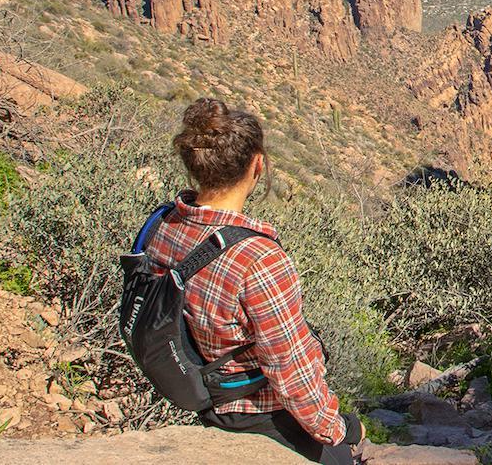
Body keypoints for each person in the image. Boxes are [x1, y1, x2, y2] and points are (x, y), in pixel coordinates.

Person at [145, 97, 362, 463]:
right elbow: (290, 372)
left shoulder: (162, 226)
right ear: (257, 165)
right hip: (260, 415)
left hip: (205, 397)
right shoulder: (257, 260)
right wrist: (340, 430)